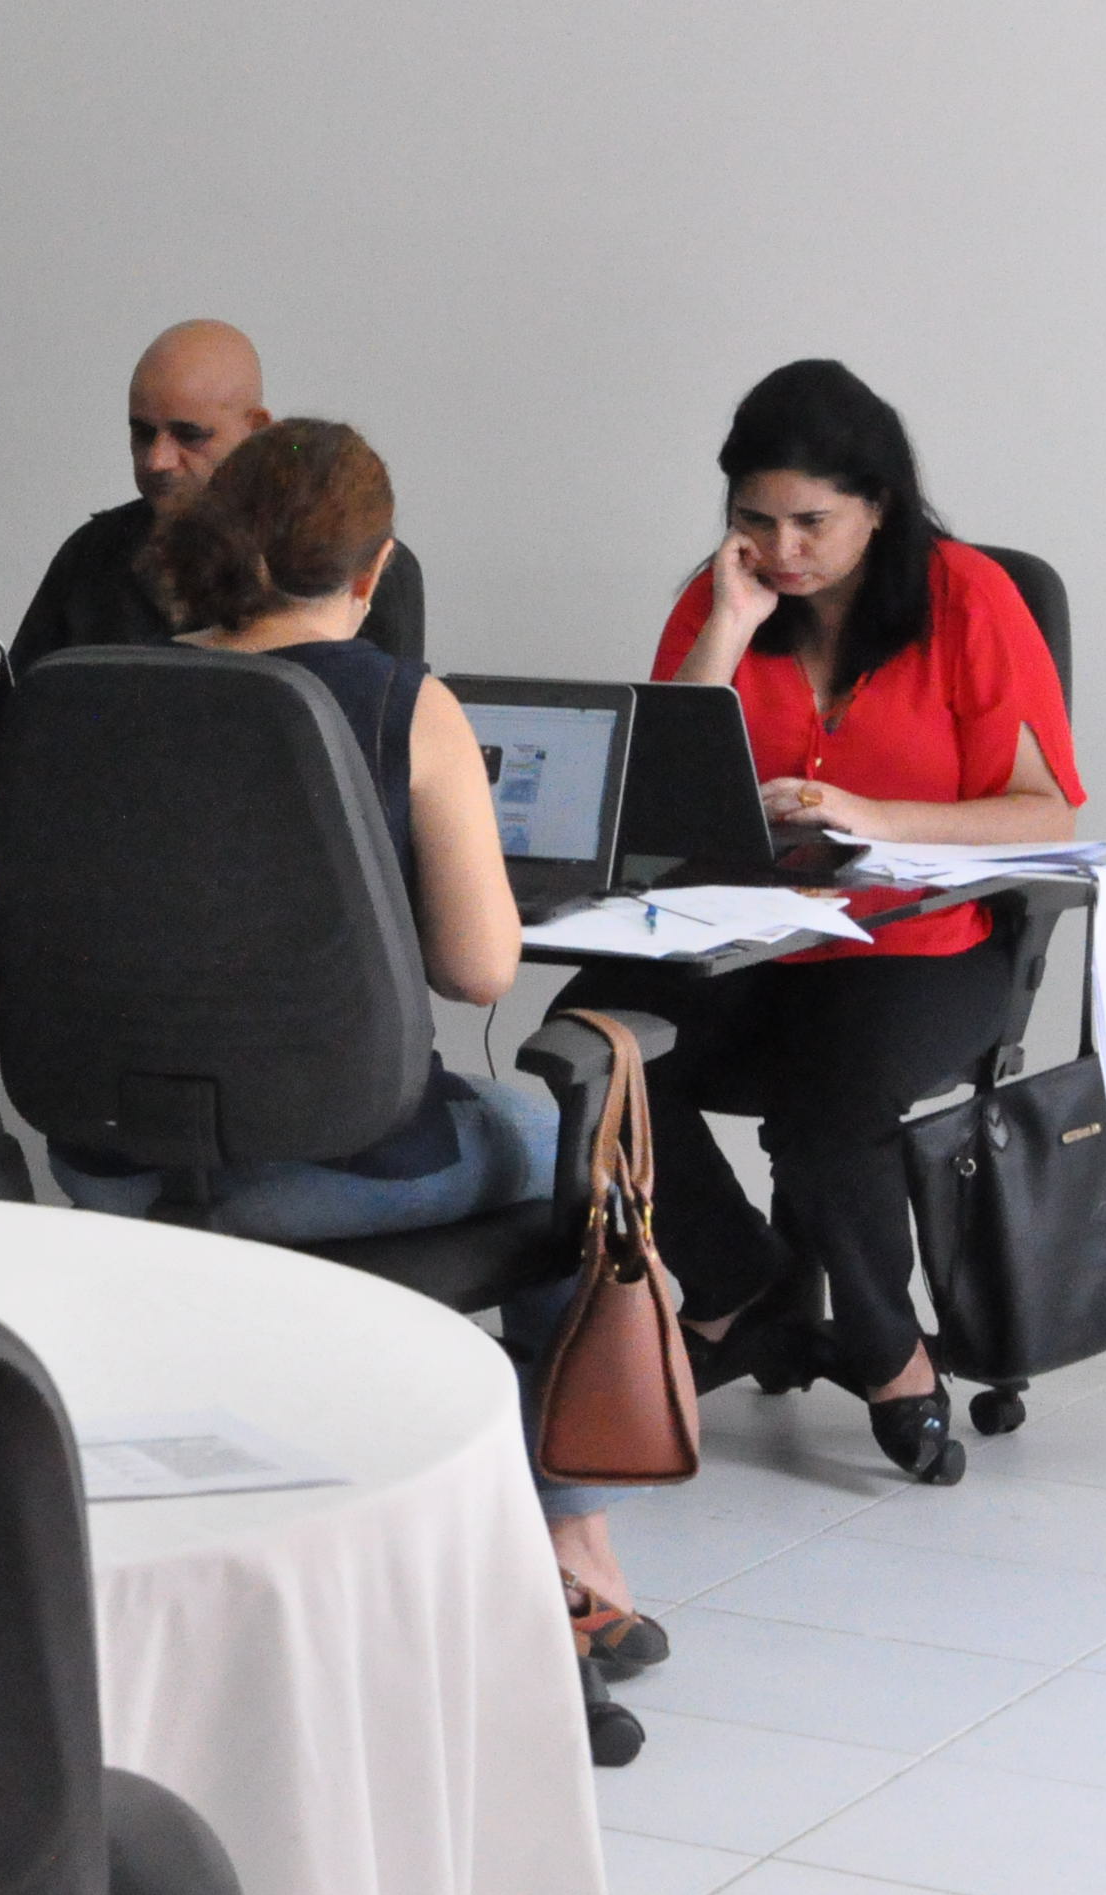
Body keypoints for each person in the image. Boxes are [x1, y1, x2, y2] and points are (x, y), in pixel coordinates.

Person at [44, 417, 659, 1659]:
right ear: (374, 571)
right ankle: (571, 1544)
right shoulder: (404, 705)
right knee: (572, 1131)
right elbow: (479, 970)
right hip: (329, 1169)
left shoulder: (94, 689)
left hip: (110, 1167)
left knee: (540, 1131)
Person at [551, 360, 1083, 1486]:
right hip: (751, 934)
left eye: (811, 523)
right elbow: (656, 802)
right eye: (755, 519)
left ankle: (891, 1356)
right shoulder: (725, 597)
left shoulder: (969, 598)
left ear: (877, 505)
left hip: (923, 940)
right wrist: (730, 628)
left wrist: (869, 815)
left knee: (826, 1099)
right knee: (592, 1046)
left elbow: (1045, 811)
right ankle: (744, 1286)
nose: (781, 549)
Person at [8, 319, 424, 675]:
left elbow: (384, 724)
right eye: (142, 433)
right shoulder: (92, 554)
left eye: (189, 435)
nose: (157, 460)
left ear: (256, 429)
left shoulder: (350, 560)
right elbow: (13, 721)